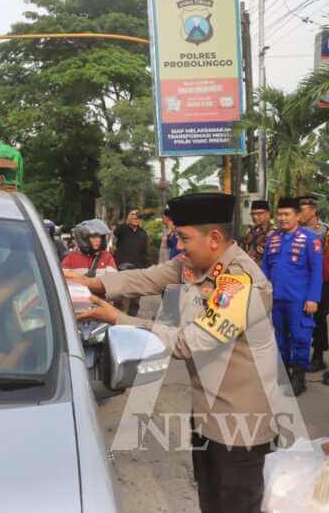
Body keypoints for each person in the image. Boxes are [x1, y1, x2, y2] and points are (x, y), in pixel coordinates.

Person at [67, 193, 279, 513]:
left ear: (215, 238)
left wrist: (118, 319)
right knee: (210, 501)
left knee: (235, 505)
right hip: (206, 415)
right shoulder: (192, 265)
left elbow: (188, 343)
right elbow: (144, 278)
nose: (179, 246)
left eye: (184, 238)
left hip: (241, 426)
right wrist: (88, 282)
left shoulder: (240, 283)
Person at [261, 197, 323, 395]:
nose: (282, 218)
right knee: (279, 338)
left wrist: (313, 298)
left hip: (300, 300)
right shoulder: (273, 238)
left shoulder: (310, 238)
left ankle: (299, 377)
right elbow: (265, 268)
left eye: (287, 214)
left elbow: (316, 271)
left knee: (300, 338)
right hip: (276, 299)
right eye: (279, 214)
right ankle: (283, 374)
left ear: (297, 216)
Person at [299, 197, 329, 372]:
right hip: (301, 281)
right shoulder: (296, 231)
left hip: (322, 281)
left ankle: (318, 356)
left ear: (313, 211)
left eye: (302, 210)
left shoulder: (324, 231)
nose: (299, 214)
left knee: (318, 318)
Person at [242, 199, 274, 265]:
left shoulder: (274, 233)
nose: (255, 217)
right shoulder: (249, 231)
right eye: (253, 214)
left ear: (268, 214)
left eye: (259, 213)